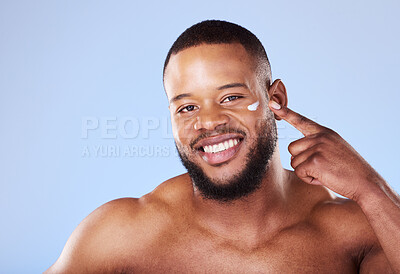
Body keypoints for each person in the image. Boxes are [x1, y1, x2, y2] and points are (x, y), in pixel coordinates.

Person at [45, 20, 400, 273]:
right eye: (187, 107)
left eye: (230, 97)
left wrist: (373, 190)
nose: (209, 121)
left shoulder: (355, 231)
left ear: (275, 98)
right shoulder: (121, 235)